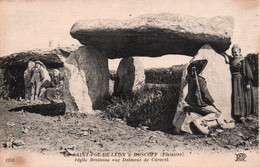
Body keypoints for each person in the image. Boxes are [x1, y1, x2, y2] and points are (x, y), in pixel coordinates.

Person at [184, 59, 223, 134]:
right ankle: (199, 121)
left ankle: (204, 124)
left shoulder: (189, 79)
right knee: (217, 113)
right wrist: (212, 102)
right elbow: (205, 94)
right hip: (199, 104)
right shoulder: (200, 80)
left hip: (191, 103)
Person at [221, 45, 255, 122]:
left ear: (240, 52)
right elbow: (226, 55)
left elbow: (248, 73)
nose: (234, 54)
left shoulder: (243, 61)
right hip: (233, 80)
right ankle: (236, 115)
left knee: (242, 97)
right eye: (233, 52)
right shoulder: (232, 60)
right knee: (235, 96)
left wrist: (248, 83)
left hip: (241, 81)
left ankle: (243, 115)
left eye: (236, 52)